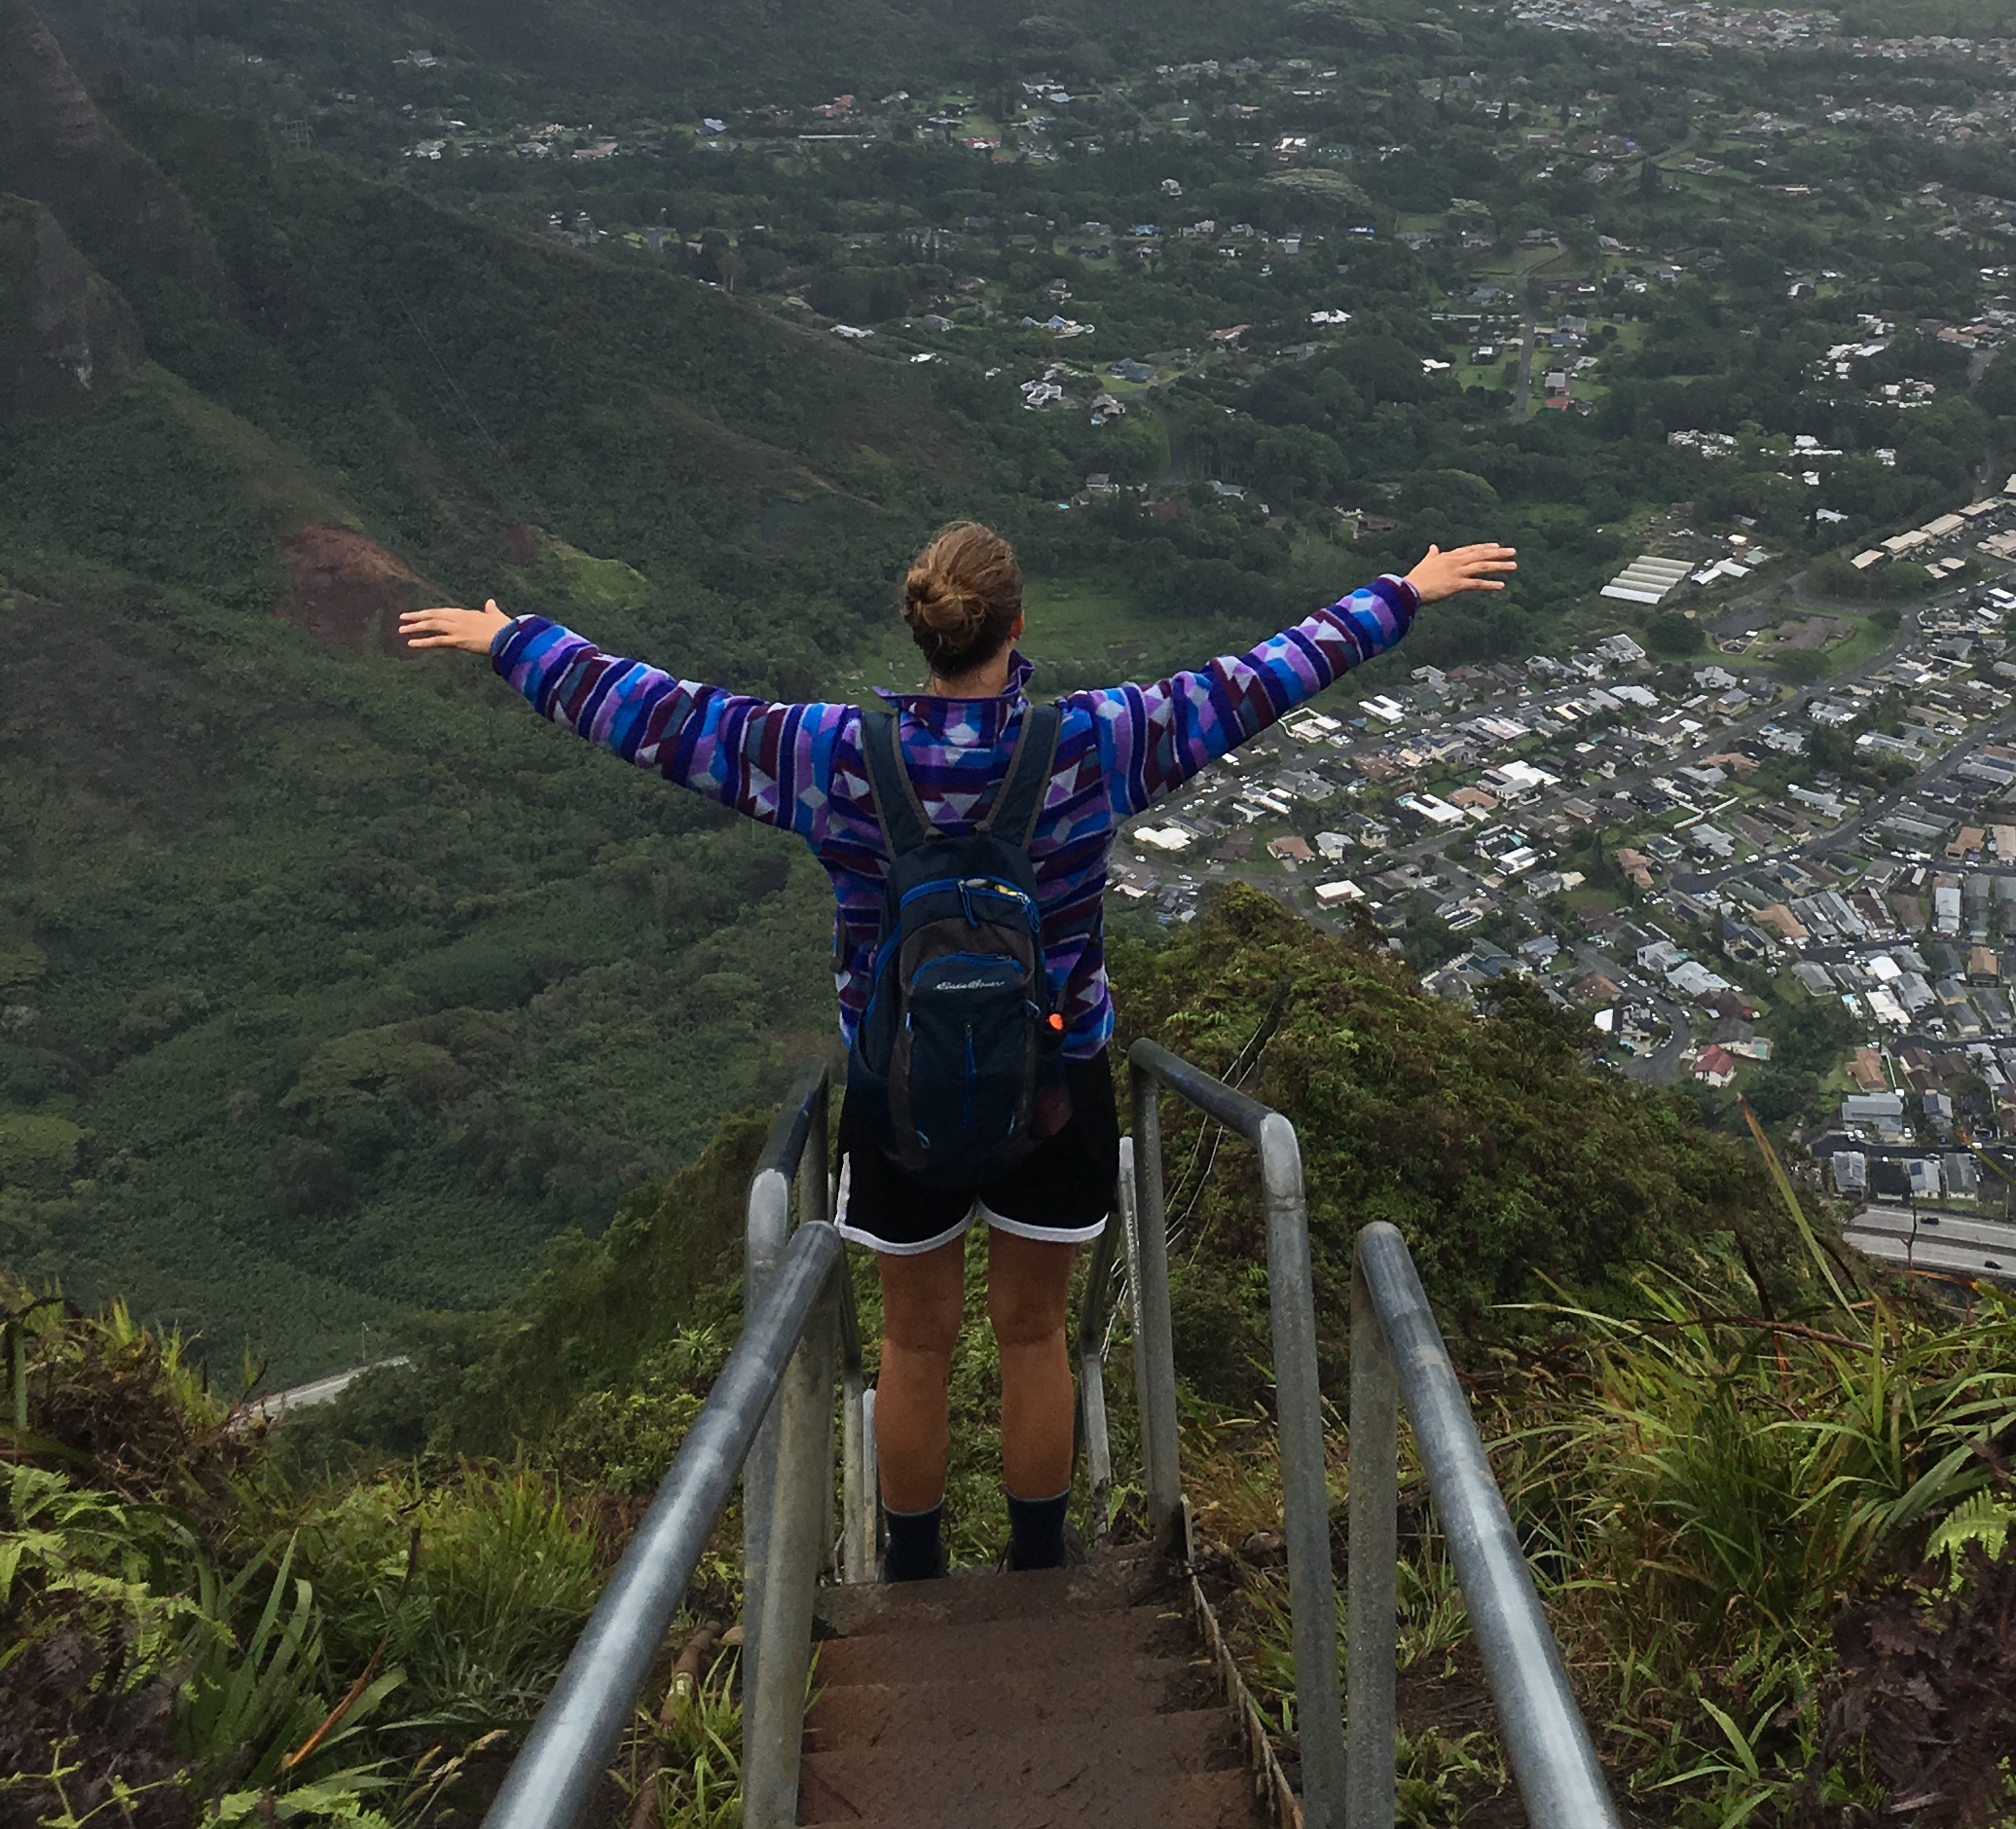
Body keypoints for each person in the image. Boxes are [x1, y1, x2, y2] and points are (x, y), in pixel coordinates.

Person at [399, 522, 1516, 1574]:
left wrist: (515, 643)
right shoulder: (1095, 742)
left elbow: (666, 717)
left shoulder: (832, 753)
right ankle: (1038, 1568)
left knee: (914, 1345)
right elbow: (1258, 679)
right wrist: (1401, 594)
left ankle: (916, 1569)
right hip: (1055, 1085)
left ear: (920, 630)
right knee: (1034, 1335)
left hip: (899, 1096)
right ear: (1016, 629)